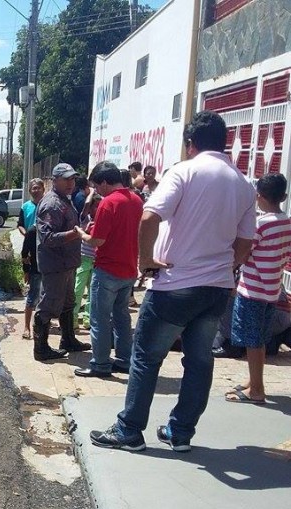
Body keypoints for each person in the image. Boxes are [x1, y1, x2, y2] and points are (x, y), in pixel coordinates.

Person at [89, 110, 256, 453]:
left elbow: (150, 216)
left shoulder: (184, 171)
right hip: (217, 289)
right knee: (199, 362)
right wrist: (226, 267)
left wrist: (145, 260)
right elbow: (245, 244)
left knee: (146, 358)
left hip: (175, 285)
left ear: (190, 143)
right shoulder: (243, 184)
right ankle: (180, 433)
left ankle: (129, 431)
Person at [225, 173, 291, 404]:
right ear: (283, 196)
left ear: (258, 196)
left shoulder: (260, 224)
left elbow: (243, 253)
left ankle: (256, 390)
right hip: (272, 289)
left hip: (252, 289)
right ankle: (254, 380)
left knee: (252, 341)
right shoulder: (287, 223)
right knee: (260, 338)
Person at [74, 162, 143, 378]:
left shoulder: (108, 204)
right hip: (129, 268)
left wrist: (81, 234)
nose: (96, 190)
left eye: (97, 185)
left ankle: (100, 364)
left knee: (100, 319)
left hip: (107, 270)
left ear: (104, 182)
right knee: (122, 317)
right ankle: (124, 360)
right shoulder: (137, 200)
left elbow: (97, 241)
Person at [33, 163, 89, 360]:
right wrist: (74, 234)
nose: (71, 183)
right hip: (55, 265)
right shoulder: (52, 204)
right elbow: (48, 238)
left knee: (68, 302)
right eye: (66, 179)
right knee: (48, 305)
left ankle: (68, 339)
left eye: (73, 179)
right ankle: (41, 348)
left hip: (67, 263)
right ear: (54, 180)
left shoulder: (65, 199)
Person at [72, 191, 100, 330]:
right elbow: (87, 204)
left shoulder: (102, 220)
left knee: (92, 292)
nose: (97, 209)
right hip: (84, 258)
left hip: (96, 260)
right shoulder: (85, 218)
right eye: (96, 206)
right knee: (78, 289)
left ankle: (88, 319)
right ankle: (73, 319)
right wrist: (93, 190)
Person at [20, 221, 41, 339]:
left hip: (49, 270)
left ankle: (40, 326)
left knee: (44, 299)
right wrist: (26, 271)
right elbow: (24, 253)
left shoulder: (50, 229)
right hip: (35, 270)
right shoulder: (32, 231)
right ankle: (26, 327)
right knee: (32, 298)